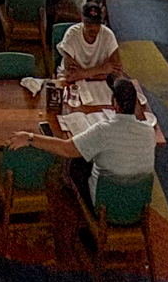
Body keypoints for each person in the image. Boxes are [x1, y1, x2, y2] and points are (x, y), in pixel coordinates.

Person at [8, 75, 158, 205]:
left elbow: (66, 149)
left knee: (73, 164)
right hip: (136, 204)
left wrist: (30, 138)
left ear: (115, 105)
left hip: (104, 204)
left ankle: (77, 214)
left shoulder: (103, 131)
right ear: (136, 104)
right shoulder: (149, 132)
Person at [56, 2, 121, 82]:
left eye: (96, 23)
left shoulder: (108, 35)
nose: (93, 28)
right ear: (82, 20)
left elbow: (117, 73)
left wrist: (82, 74)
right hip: (72, 81)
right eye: (89, 23)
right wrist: (101, 69)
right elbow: (70, 76)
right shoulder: (72, 34)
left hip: (99, 82)